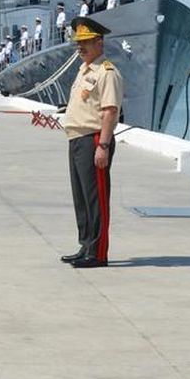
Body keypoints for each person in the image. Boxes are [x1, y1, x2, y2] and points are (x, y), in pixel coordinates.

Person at [59, 16, 123, 269]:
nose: (80, 47)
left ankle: (97, 253)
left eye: (86, 42)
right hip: (77, 139)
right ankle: (85, 245)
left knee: (96, 198)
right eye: (78, 43)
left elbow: (109, 111)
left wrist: (103, 146)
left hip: (94, 139)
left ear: (99, 42)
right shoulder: (84, 69)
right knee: (82, 197)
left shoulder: (107, 72)